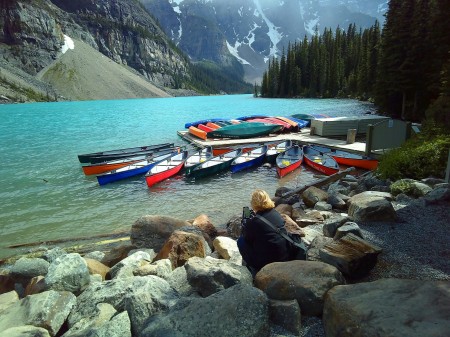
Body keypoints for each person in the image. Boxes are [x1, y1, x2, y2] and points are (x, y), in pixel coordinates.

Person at [237, 189, 291, 276]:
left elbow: (247, 240)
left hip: (267, 262)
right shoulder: (275, 213)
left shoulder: (254, 222)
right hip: (284, 255)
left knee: (240, 241)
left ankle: (252, 268)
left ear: (254, 203)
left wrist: (246, 224)